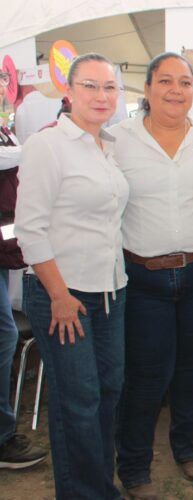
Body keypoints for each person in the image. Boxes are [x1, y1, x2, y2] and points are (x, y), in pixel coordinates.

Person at [109, 52, 193, 500]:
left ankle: (187, 449)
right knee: (146, 375)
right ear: (147, 88)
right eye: (165, 81)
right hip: (143, 279)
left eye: (184, 82)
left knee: (190, 368)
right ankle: (135, 466)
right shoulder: (115, 141)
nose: (175, 90)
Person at [15, 53, 129, 499]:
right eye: (91, 86)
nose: (101, 96)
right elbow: (31, 229)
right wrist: (59, 295)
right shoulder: (48, 145)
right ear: (69, 91)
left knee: (108, 392)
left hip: (109, 291)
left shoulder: (110, 146)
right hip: (62, 292)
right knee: (79, 401)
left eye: (109, 87)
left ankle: (100, 487)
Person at [0, 78, 48, 470]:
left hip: (2, 255)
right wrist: (42, 145)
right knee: (5, 335)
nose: (1, 85)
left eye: (3, 79)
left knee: (5, 336)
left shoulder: (5, 128)